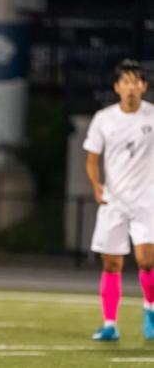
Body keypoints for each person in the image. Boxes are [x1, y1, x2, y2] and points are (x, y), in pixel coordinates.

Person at [84, 59, 154, 341]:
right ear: (117, 87)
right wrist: (96, 186)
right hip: (114, 201)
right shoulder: (104, 118)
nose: (131, 87)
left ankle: (150, 309)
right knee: (111, 263)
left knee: (147, 260)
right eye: (125, 82)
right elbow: (91, 157)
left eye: (136, 82)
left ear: (144, 87)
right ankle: (110, 324)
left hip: (147, 200)